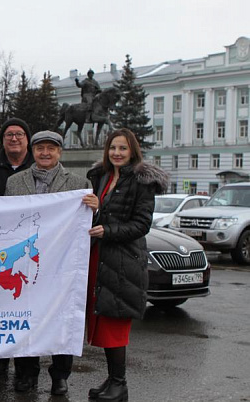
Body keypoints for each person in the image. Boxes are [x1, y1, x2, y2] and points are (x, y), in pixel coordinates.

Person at [4, 130, 97, 395]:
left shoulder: (79, 183)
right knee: (24, 317)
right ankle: (25, 373)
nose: (45, 153)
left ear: (60, 152)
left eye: (51, 148)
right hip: (25, 263)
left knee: (61, 318)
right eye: (40, 148)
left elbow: (87, 221)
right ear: (32, 151)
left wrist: (95, 207)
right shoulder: (14, 182)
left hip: (61, 264)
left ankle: (60, 376)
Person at [85, 129, 167, 402]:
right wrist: (96, 211)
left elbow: (141, 225)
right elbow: (100, 214)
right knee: (103, 319)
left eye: (122, 148)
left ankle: (120, 384)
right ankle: (112, 380)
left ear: (132, 151)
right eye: (112, 148)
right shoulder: (103, 177)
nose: (117, 153)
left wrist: (108, 230)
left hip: (123, 262)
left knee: (114, 323)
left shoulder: (141, 182)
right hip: (102, 259)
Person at [0, 117, 34, 196]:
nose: (14, 139)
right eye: (9, 134)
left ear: (27, 139)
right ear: (3, 140)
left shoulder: (38, 168)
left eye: (19, 134)